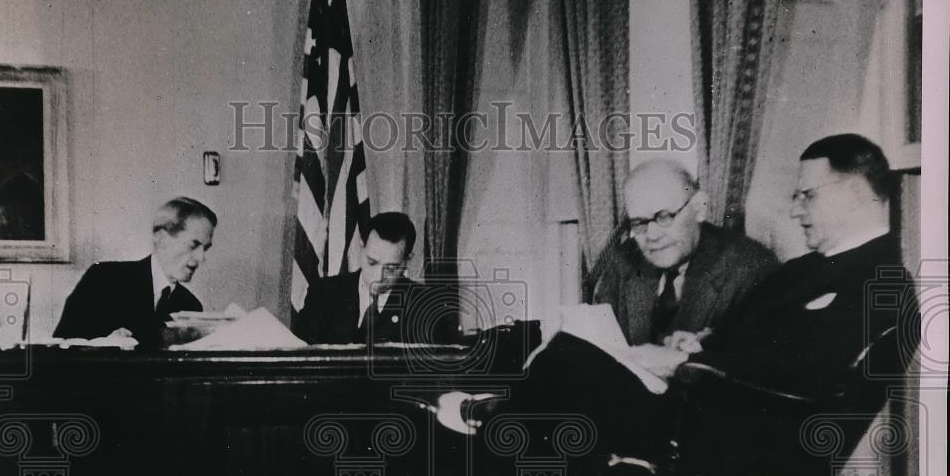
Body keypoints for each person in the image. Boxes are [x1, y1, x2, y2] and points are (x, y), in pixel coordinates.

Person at [439, 134, 917, 448]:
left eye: (807, 194)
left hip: (727, 434)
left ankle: (489, 433)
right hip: (708, 414)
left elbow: (806, 376)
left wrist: (690, 362)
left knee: (569, 365)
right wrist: (702, 343)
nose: (795, 210)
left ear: (857, 192)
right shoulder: (810, 271)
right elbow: (766, 344)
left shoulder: (880, 282)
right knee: (558, 397)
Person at [592, 159, 778, 353]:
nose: (652, 235)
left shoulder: (751, 268)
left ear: (699, 208)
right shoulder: (624, 260)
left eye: (664, 217)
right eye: (639, 223)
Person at [54, 197, 217, 348]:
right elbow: (61, 346)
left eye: (205, 249)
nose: (201, 258)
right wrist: (104, 345)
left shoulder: (190, 306)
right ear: (161, 238)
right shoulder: (104, 278)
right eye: (193, 245)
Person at [293, 211, 456, 345]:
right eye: (372, 262)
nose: (379, 277)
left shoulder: (427, 307)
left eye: (391, 268)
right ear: (362, 248)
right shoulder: (323, 293)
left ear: (408, 260)